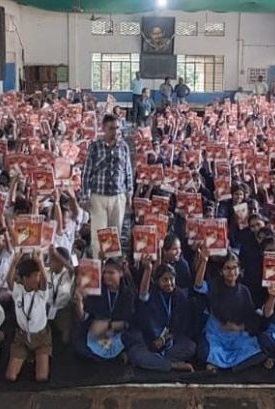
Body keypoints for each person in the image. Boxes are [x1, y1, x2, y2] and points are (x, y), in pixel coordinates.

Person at [194, 248, 268, 372]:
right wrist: (204, 261)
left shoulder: (244, 291)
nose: (231, 272)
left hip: (237, 335)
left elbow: (251, 317)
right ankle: (233, 365)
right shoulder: (214, 285)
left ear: (239, 270)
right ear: (221, 271)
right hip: (216, 334)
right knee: (204, 351)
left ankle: (227, 366)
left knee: (257, 349)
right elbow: (198, 286)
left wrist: (238, 327)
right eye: (227, 268)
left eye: (234, 268)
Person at [125, 261, 196, 372]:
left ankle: (157, 363)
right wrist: (148, 270)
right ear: (157, 281)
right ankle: (172, 365)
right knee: (135, 353)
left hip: (168, 343)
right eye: (165, 279)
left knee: (190, 346)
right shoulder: (152, 294)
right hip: (148, 342)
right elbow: (143, 295)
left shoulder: (180, 296)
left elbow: (180, 326)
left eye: (171, 279)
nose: (169, 283)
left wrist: (165, 339)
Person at [81, 114, 134, 260]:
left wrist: (129, 194)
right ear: (103, 128)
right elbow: (86, 173)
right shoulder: (94, 147)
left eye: (117, 128)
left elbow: (128, 171)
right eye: (111, 128)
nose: (115, 132)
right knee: (98, 233)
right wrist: (85, 196)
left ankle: (112, 265)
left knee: (114, 233)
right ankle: (98, 264)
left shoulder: (123, 147)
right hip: (98, 196)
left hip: (118, 196)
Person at [73, 257, 135, 361]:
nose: (106, 276)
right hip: (97, 332)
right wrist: (79, 301)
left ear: (121, 273)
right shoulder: (96, 291)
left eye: (111, 273)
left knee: (133, 337)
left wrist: (109, 325)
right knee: (79, 346)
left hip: (117, 331)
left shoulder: (128, 293)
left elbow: (129, 321)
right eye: (105, 272)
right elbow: (84, 317)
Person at [5, 252, 51, 382]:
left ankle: (36, 355)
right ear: (25, 278)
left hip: (41, 337)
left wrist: (40, 262)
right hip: (22, 336)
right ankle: (27, 355)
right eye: (35, 276)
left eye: (39, 275)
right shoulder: (18, 291)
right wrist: (14, 262)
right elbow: (9, 281)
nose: (38, 278)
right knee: (10, 376)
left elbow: (45, 282)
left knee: (41, 377)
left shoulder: (41, 293)